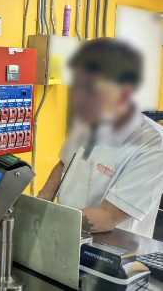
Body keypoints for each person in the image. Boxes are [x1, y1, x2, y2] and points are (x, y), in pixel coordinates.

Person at [38, 38, 163, 238]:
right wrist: (39, 205)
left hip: (108, 255)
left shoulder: (153, 145)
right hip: (64, 235)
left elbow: (107, 217)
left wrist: (46, 222)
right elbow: (63, 164)